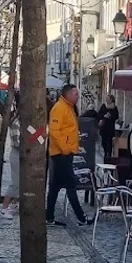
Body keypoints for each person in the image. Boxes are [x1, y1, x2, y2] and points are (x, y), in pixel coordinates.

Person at [46, 84, 93, 227]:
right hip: (61, 154)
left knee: (55, 187)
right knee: (71, 185)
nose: (78, 97)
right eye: (75, 94)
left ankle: (49, 217)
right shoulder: (59, 108)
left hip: (64, 153)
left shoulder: (68, 107)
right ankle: (81, 218)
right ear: (67, 94)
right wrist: (65, 149)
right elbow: (54, 132)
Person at [2, 93, 21, 220]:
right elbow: (17, 142)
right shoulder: (16, 122)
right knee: (16, 183)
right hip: (17, 154)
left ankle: (15, 204)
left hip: (22, 155)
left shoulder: (23, 121)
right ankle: (4, 207)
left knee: (21, 182)